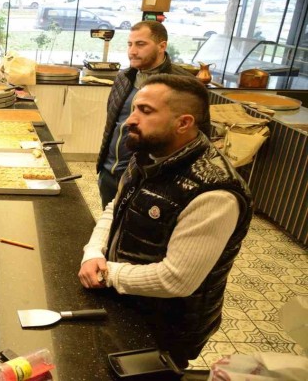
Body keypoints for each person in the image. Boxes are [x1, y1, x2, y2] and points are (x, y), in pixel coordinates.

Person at [78, 74, 252, 369]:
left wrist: (108, 274)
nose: (130, 120)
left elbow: (176, 280)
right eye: (134, 108)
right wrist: (93, 252)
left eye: (145, 111)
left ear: (183, 123)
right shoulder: (147, 154)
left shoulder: (214, 191)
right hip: (126, 301)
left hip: (166, 329)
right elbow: (115, 207)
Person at [96, 20, 193, 208]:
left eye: (140, 44)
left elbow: (193, 138)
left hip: (147, 178)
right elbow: (113, 125)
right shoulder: (124, 77)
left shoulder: (181, 84)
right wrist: (103, 167)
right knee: (109, 223)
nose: (132, 51)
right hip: (109, 173)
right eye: (130, 44)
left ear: (162, 46)